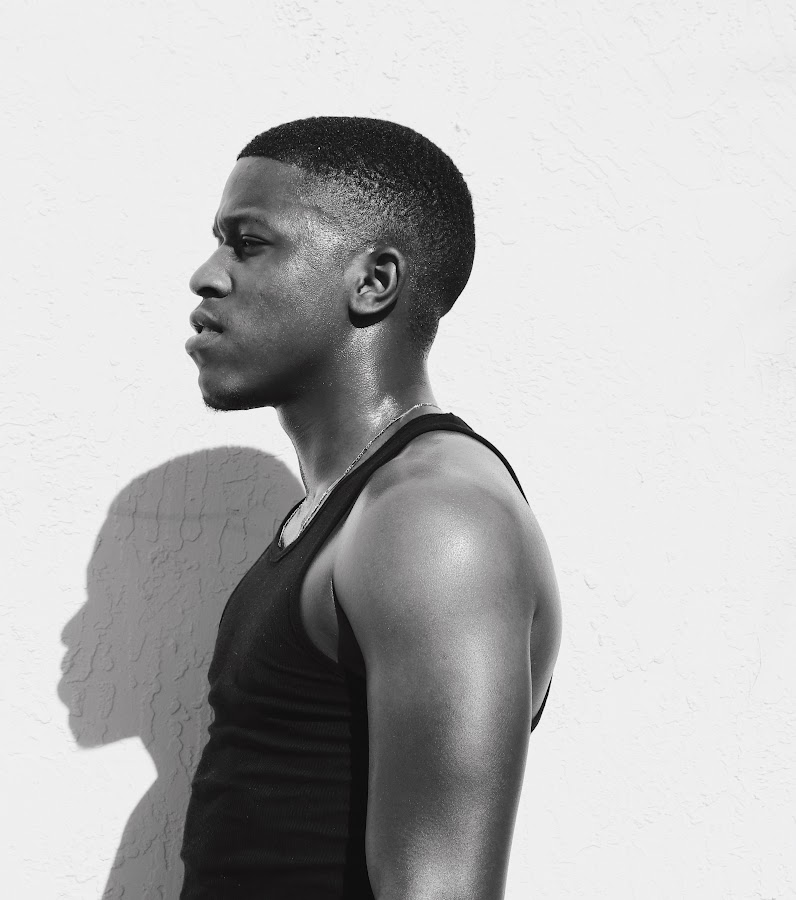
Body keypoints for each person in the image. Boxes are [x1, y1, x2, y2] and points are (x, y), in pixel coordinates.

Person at [179, 116, 561, 900]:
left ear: (374, 281)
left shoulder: (433, 519)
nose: (206, 277)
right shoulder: (349, 511)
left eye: (248, 244)